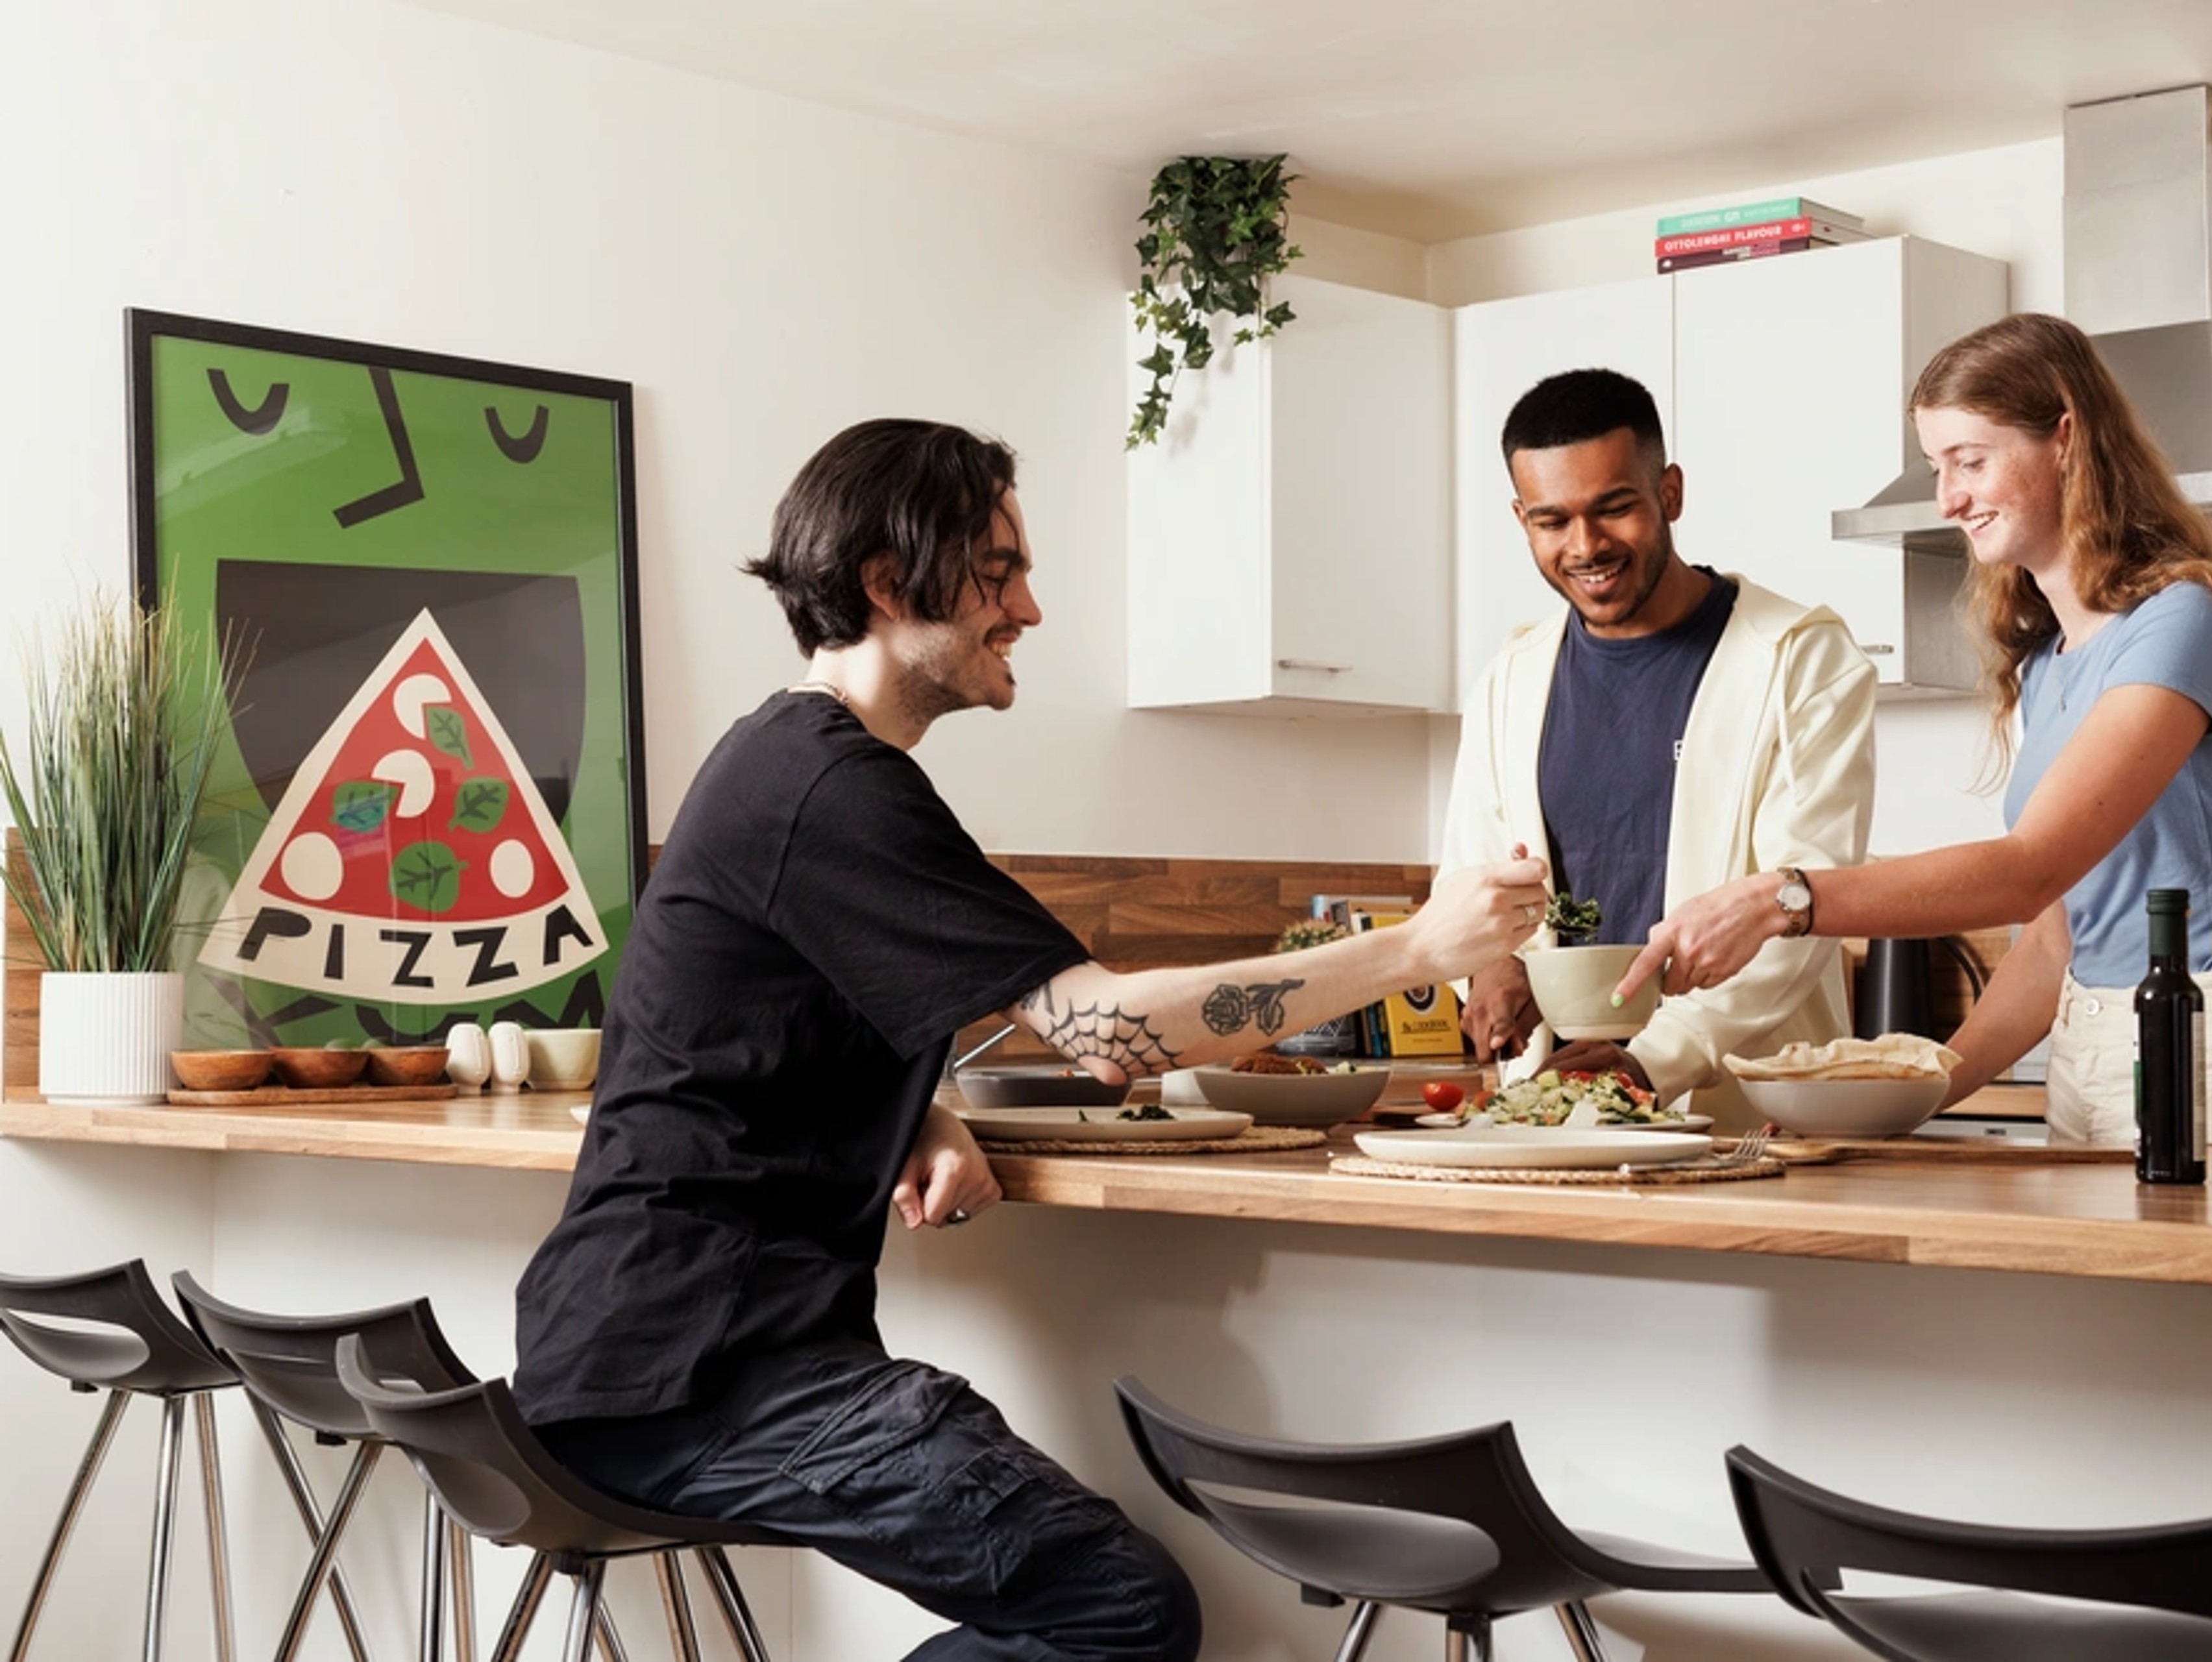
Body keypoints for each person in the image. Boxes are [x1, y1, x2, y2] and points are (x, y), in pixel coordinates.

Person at [510, 419, 1548, 1661]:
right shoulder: (833, 786)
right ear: (893, 587)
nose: (1033, 608)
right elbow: (1110, 1034)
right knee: (1118, 1609)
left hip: (655, 1357)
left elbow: (772, 1021)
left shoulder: (786, 764)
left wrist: (918, 1111)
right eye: (999, 573)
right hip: (697, 1378)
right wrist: (1416, 949)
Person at [1616, 312, 2212, 1146]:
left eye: (1971, 460)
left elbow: (2029, 870)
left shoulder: (2186, 623)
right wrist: (1902, 1096)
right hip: (2093, 1049)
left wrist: (1783, 898)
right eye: (1937, 466)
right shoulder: (2051, 663)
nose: (1949, 497)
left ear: (2065, 438)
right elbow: (2052, 939)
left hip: (2211, 1042)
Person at [1440, 368, 1879, 1127]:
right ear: (1522, 519)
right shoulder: (1510, 679)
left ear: (1670, 493)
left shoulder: (1799, 655)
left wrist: (1651, 1063)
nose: (1586, 546)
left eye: (1614, 508)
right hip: (1552, 1111)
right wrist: (1491, 962)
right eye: (1552, 521)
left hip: (1752, 1122)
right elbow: (1471, 881)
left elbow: (1803, 906)